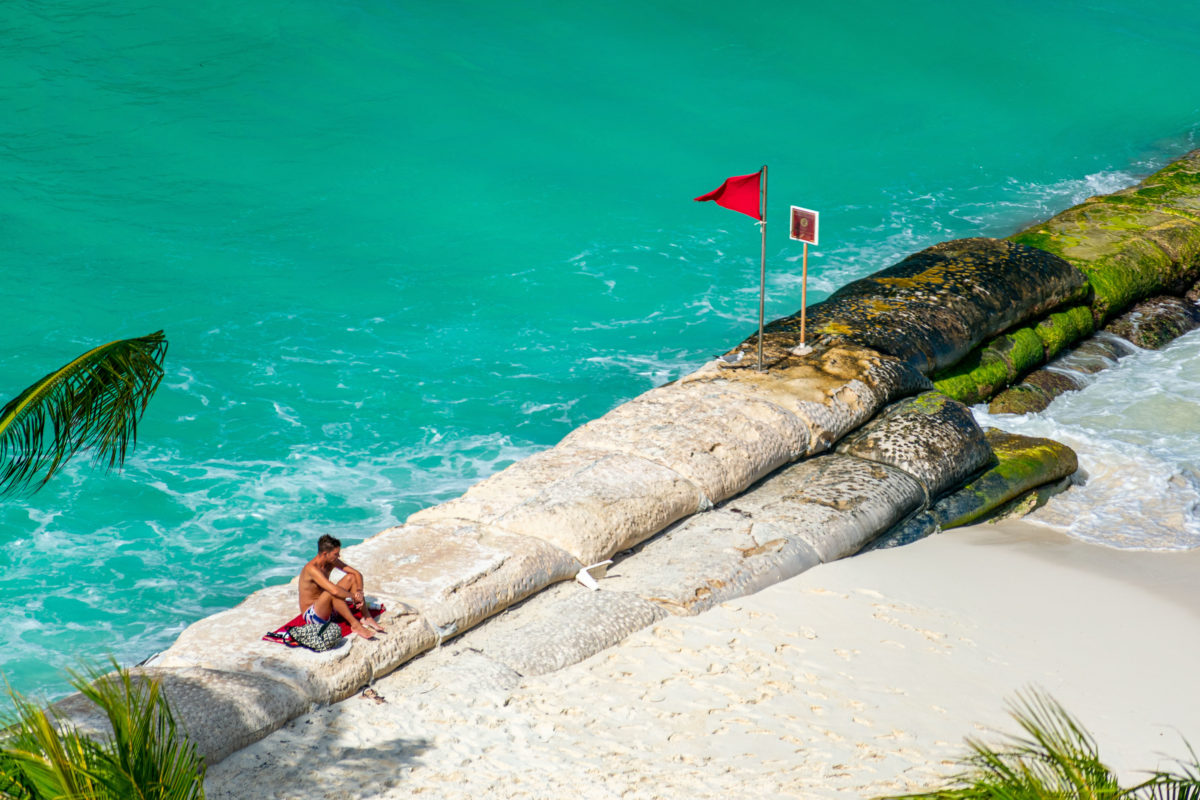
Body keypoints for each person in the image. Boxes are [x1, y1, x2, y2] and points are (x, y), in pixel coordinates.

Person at [298, 534, 386, 640]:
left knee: (351, 577)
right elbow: (334, 591)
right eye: (336, 554)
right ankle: (355, 625)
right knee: (333, 592)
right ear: (325, 554)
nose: (338, 556)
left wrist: (359, 592)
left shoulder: (330, 561)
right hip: (314, 616)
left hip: (330, 609)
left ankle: (366, 617)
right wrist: (353, 596)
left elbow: (357, 574)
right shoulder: (311, 569)